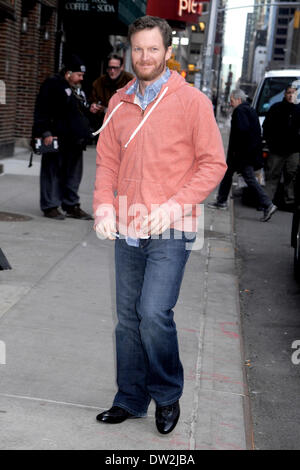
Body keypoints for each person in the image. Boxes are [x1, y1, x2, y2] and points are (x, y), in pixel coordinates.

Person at [93, 16, 227, 435]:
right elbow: (107, 162)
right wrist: (102, 208)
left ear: (168, 52)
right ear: (129, 51)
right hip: (128, 223)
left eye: (153, 49)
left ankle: (167, 395)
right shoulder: (120, 102)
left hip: (172, 225)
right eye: (138, 49)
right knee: (128, 318)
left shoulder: (193, 102)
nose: (145, 56)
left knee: (153, 312)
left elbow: (213, 165)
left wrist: (172, 208)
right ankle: (130, 398)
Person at [33, 54, 93, 220]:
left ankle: (71, 204)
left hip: (74, 140)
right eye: (79, 75)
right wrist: (45, 132)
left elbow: (79, 111)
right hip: (56, 138)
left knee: (73, 175)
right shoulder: (52, 85)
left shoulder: (77, 89)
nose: (81, 78)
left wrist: (90, 109)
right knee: (52, 172)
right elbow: (42, 110)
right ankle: (50, 205)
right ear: (68, 73)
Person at [209, 89, 277, 222]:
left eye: (232, 100)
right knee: (228, 174)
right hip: (245, 153)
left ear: (239, 100)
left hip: (242, 155)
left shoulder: (240, 111)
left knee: (250, 179)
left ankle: (268, 204)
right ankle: (222, 200)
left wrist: (237, 154)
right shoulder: (250, 110)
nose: (230, 103)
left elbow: (242, 132)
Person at [263, 84, 300, 208]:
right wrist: (271, 143)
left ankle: (290, 202)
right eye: (288, 92)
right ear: (284, 94)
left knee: (292, 175)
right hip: (277, 150)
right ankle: (267, 202)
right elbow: (266, 127)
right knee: (272, 175)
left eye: (293, 93)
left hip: (294, 150)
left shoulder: (298, 110)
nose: (291, 95)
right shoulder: (276, 108)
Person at [90, 53, 134, 130]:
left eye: (115, 68)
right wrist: (93, 106)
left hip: (125, 124)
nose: (112, 71)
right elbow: (93, 100)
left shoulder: (130, 80)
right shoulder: (99, 82)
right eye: (109, 68)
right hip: (103, 123)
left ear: (121, 67)